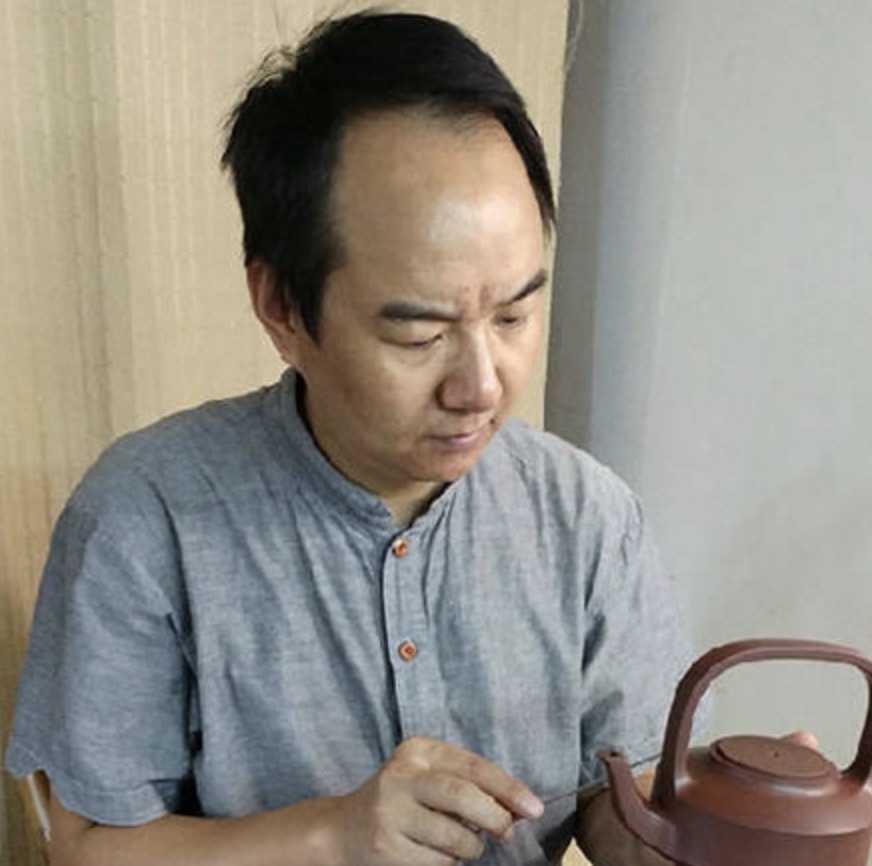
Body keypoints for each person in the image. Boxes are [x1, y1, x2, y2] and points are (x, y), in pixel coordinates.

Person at [6, 10, 689, 866]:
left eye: (514, 315)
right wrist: (333, 834)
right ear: (282, 308)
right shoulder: (147, 518)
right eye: (418, 334)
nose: (482, 386)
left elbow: (615, 798)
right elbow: (87, 845)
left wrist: (733, 829)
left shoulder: (586, 516)